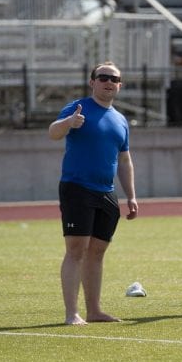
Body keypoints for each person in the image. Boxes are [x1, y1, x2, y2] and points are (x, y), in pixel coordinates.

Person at [49, 61, 139, 325]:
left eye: (114, 79)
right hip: (77, 187)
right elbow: (53, 132)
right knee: (76, 250)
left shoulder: (120, 120)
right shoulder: (78, 108)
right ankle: (71, 314)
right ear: (92, 82)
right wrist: (69, 122)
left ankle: (94, 311)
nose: (109, 82)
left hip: (106, 192)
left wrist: (131, 195)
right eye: (103, 77)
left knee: (97, 252)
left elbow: (124, 160)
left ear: (119, 85)